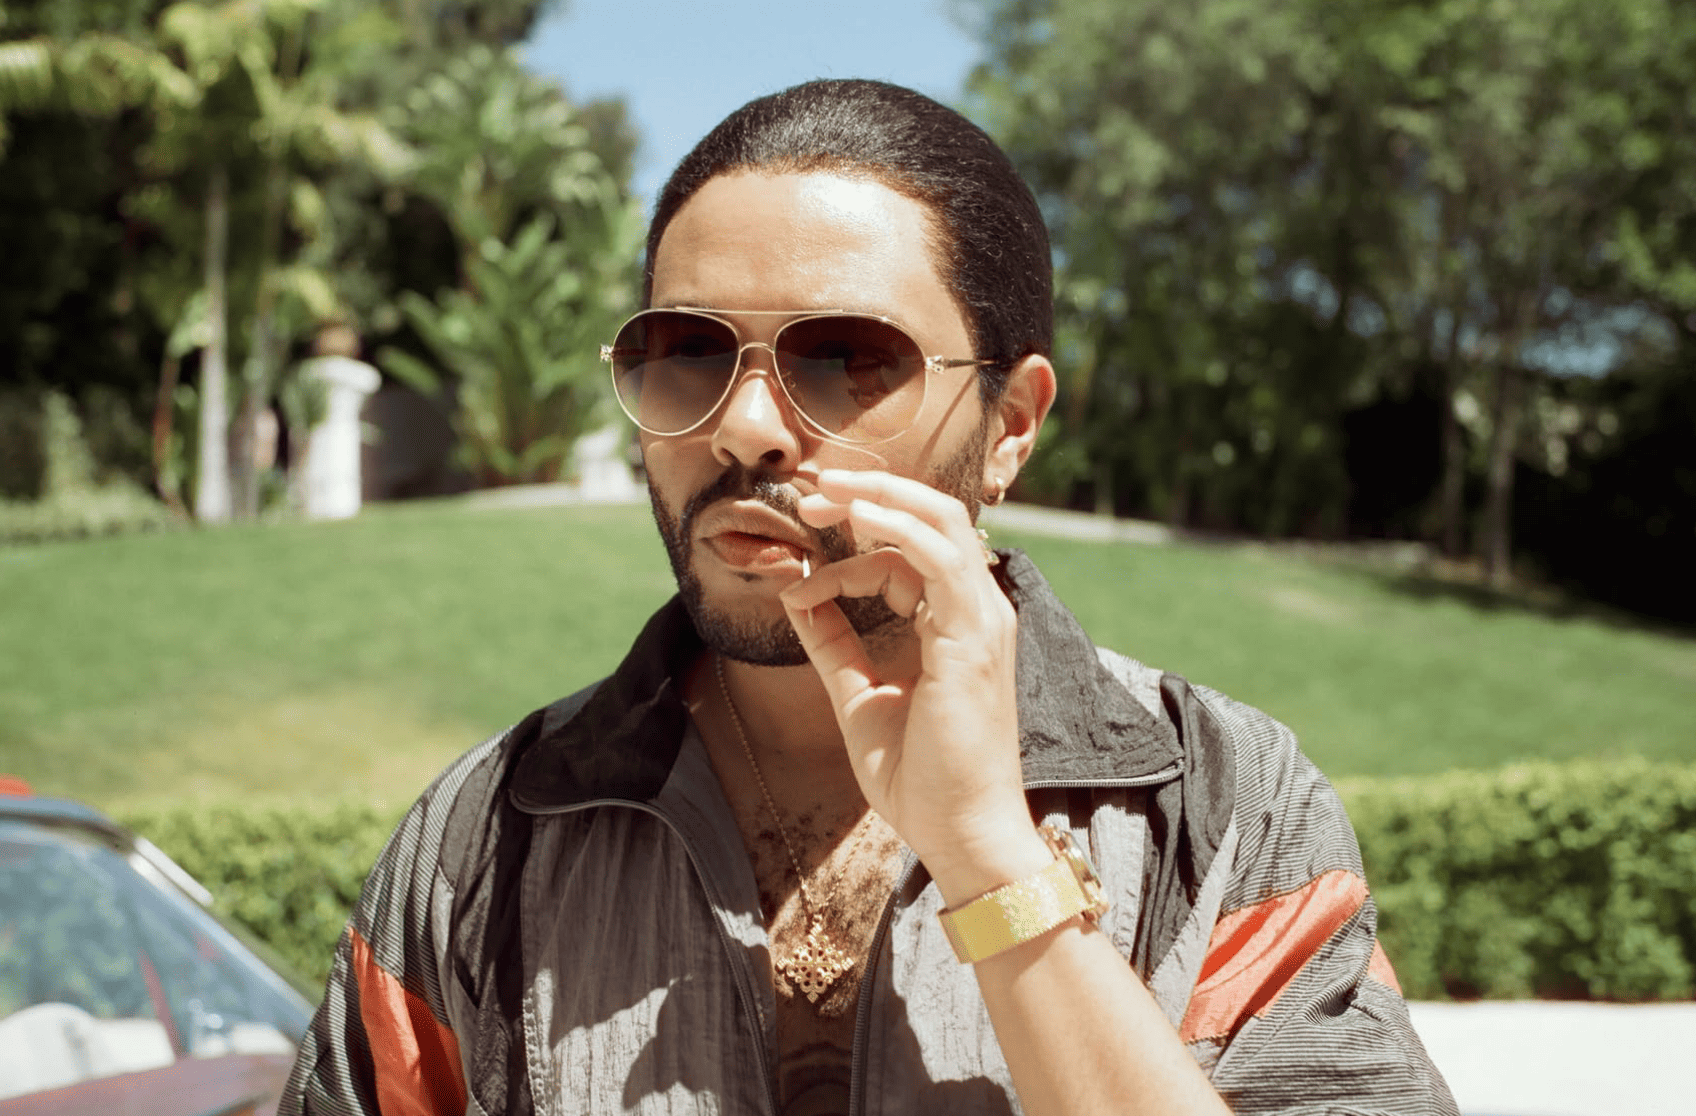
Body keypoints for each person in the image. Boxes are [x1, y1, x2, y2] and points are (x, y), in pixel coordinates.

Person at [281, 79, 1456, 1116]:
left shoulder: (1231, 808)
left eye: (842, 359)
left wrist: (994, 861)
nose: (740, 427)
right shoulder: (483, 843)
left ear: (1009, 425)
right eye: (686, 350)